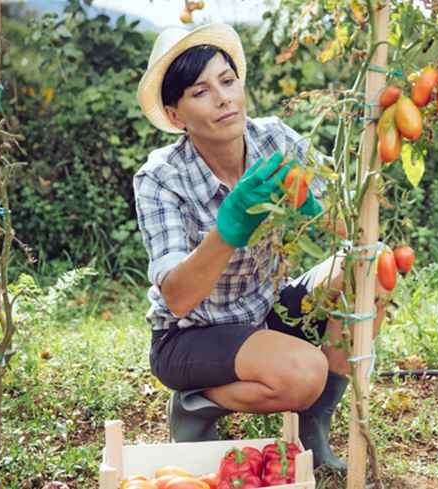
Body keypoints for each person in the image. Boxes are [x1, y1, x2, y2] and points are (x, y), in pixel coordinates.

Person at [133, 23, 388, 472]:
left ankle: (315, 424)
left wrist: (315, 207)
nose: (223, 98)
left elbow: (346, 229)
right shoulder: (160, 178)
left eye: (227, 82)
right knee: (303, 372)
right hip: (190, 336)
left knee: (369, 266)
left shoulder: (275, 140)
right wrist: (230, 226)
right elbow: (178, 297)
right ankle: (197, 404)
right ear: (176, 116)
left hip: (263, 312)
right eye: (200, 91)